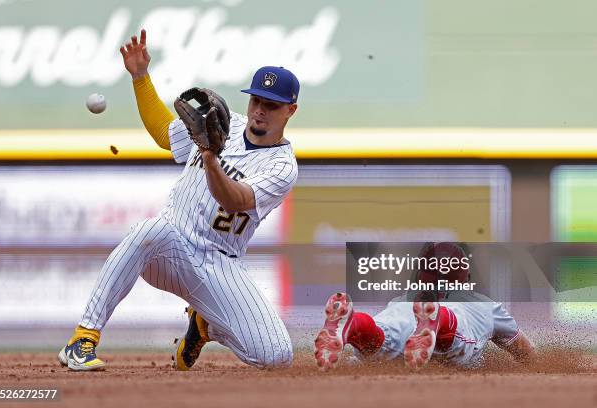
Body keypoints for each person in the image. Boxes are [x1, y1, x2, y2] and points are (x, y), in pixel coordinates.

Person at [58, 29, 299, 371]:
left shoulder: (282, 166)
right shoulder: (224, 126)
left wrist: (211, 159)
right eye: (256, 100)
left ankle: (203, 325)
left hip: (220, 263)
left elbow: (234, 199)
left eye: (271, 105)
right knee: (149, 230)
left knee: (277, 357)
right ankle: (83, 338)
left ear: (290, 109)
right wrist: (140, 78)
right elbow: (163, 133)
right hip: (172, 246)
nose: (260, 110)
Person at [315, 243, 537, 370]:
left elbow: (361, 360)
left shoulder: (400, 301)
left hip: (403, 316)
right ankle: (438, 321)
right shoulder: (484, 306)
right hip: (450, 323)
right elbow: (526, 353)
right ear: (466, 277)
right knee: (455, 342)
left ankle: (352, 325)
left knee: (377, 339)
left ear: (420, 275)